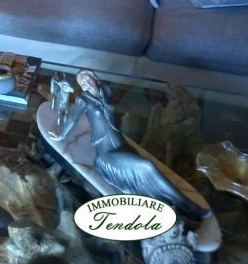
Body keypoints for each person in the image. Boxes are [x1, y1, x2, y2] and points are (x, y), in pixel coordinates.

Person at [49, 70, 211, 222]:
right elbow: (73, 119)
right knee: (147, 167)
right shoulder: (83, 100)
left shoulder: (105, 91)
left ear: (94, 78)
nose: (86, 83)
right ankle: (188, 206)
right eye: (82, 82)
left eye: (87, 78)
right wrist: (61, 135)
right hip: (106, 153)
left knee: (149, 174)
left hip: (120, 142)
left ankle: (175, 207)